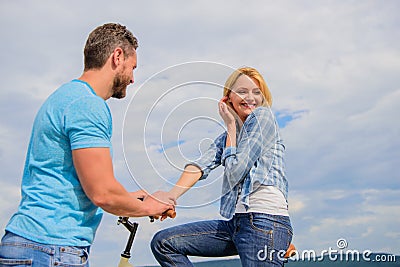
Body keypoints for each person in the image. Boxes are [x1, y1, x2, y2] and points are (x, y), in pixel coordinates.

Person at [0, 23, 174, 267]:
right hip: (51, 250)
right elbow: (103, 193)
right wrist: (150, 207)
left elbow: (79, 185)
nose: (133, 78)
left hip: (30, 245)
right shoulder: (87, 105)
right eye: (133, 67)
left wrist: (137, 198)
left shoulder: (65, 97)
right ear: (117, 56)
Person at [151, 67, 293, 266]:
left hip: (265, 221)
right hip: (238, 223)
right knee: (164, 243)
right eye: (242, 91)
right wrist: (171, 196)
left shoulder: (263, 118)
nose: (250, 97)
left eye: (256, 92)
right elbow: (201, 165)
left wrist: (231, 126)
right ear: (228, 99)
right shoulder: (229, 138)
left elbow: (236, 170)